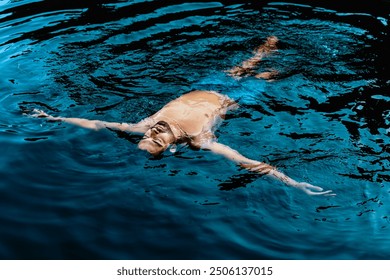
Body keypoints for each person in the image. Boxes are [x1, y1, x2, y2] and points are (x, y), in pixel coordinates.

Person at [31, 36, 334, 196]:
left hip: (205, 87)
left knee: (246, 63)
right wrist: (294, 184)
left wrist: (54, 118)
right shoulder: (200, 140)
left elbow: (97, 123)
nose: (151, 132)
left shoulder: (144, 126)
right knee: (267, 77)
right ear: (171, 147)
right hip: (231, 99)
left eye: (149, 136)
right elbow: (243, 160)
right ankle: (311, 64)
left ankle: (267, 47)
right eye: (156, 138)